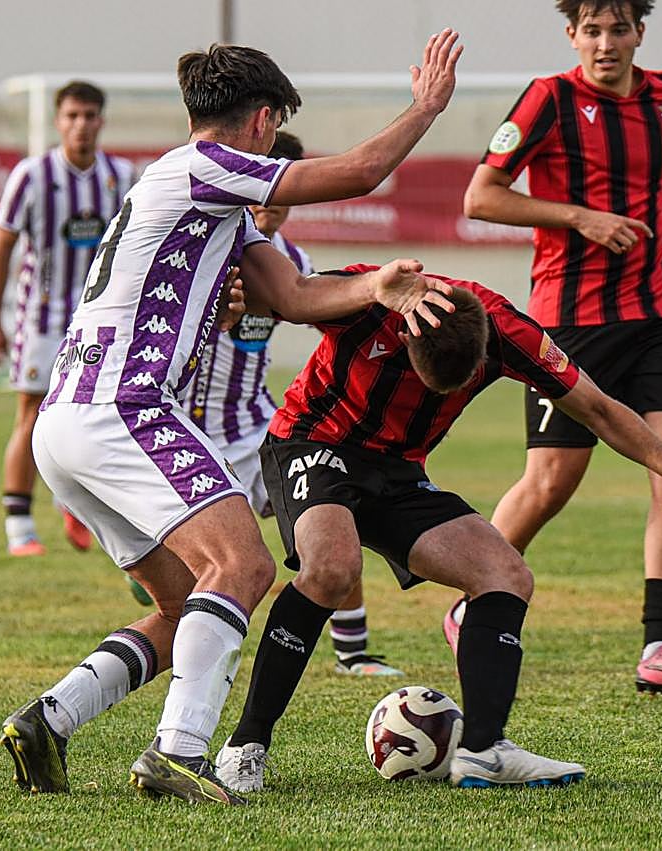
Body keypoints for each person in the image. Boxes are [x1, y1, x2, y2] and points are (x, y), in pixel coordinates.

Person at [0, 32, 464, 806]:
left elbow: (295, 297)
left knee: (184, 604)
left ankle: (50, 718)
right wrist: (425, 109)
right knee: (245, 567)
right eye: (275, 122)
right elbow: (361, 171)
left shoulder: (206, 201)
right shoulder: (205, 167)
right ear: (261, 120)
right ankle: (178, 751)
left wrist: (376, 285)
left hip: (71, 419)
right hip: (124, 406)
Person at [213, 265, 662, 792]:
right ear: (407, 335)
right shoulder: (371, 296)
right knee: (332, 567)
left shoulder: (511, 332)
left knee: (506, 574)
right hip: (313, 442)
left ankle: (484, 750)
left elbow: (595, 407)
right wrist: (232, 303)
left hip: (398, 469)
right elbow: (282, 292)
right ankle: (247, 744)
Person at [458, 0, 662, 696]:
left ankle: (659, 642)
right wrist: (580, 218)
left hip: (657, 315)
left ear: (640, 32)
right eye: (592, 31)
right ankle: (470, 598)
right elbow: (480, 197)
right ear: (572, 35)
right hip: (571, 322)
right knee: (550, 484)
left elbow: (654, 189)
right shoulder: (549, 99)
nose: (606, 44)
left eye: (619, 29)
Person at [174, 129, 404, 678]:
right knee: (205, 567)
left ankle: (354, 652)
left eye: (280, 200)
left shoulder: (290, 261)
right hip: (187, 428)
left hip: (256, 424)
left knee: (332, 515)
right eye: (263, 197)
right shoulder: (202, 245)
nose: (270, 210)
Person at [0, 81, 136, 556]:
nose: (81, 125)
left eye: (90, 116)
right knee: (29, 415)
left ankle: (75, 502)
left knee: (100, 417)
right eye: (72, 116)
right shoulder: (32, 175)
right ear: (57, 121)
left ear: (102, 121)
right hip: (42, 321)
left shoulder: (122, 177)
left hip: (99, 324)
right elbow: (3, 245)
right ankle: (19, 528)